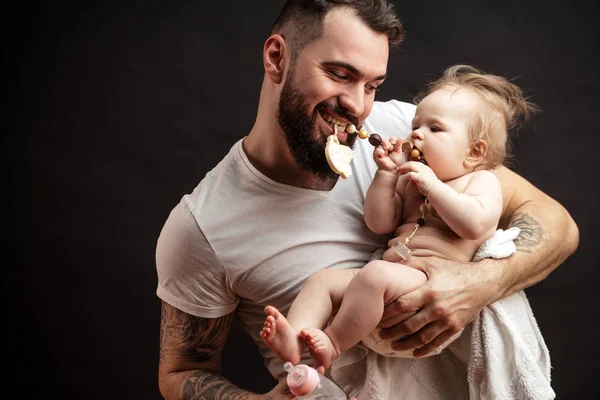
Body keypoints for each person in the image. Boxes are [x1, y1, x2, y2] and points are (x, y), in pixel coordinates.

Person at [155, 1, 579, 399]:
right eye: (340, 74)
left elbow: (555, 222)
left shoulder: (407, 131)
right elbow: (180, 371)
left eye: (372, 85)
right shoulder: (200, 226)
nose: (358, 106)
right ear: (276, 58)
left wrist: (476, 285)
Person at [259, 64, 537, 371]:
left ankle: (334, 343)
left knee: (374, 274)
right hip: (387, 283)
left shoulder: (480, 182)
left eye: (434, 129)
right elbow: (379, 223)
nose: (416, 133)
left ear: (474, 152)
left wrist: (433, 187)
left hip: (427, 288)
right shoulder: (409, 180)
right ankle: (294, 335)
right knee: (323, 280)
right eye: (415, 125)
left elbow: (474, 225)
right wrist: (387, 175)